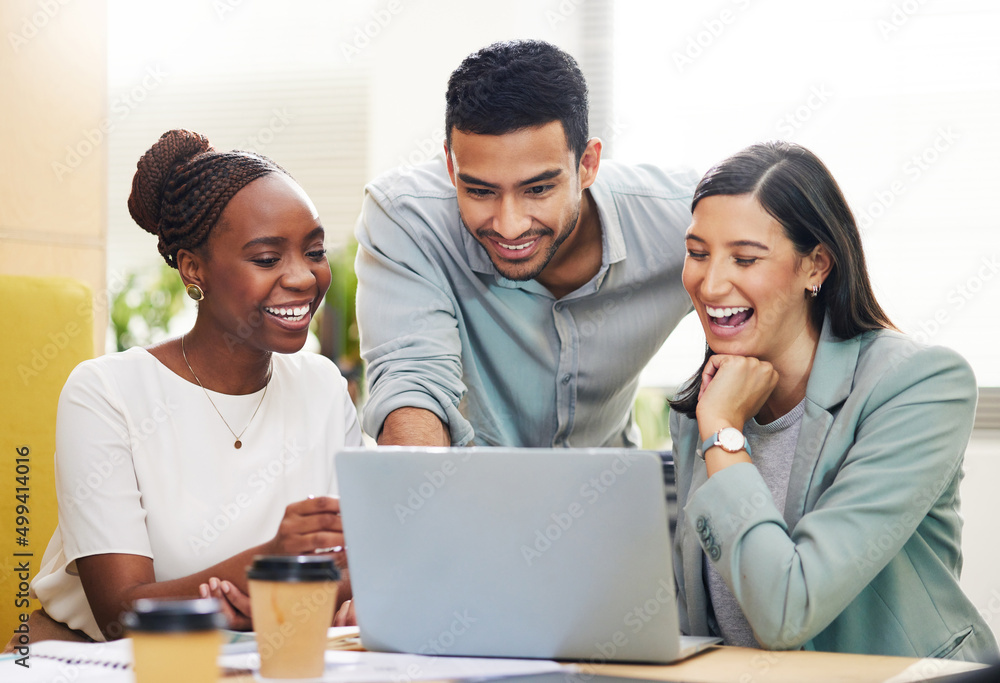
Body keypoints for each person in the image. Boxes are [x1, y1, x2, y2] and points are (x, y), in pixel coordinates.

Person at [669, 140, 999, 661]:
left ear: (816, 265)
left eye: (745, 258)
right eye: (697, 253)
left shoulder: (919, 384)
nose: (710, 282)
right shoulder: (709, 401)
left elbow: (787, 610)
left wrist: (723, 433)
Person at [29, 129, 363, 642]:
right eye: (267, 259)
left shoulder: (322, 387)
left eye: (314, 251)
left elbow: (353, 570)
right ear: (193, 268)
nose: (303, 277)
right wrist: (272, 563)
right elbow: (121, 614)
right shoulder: (107, 392)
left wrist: (347, 599)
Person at [355, 39, 696, 447]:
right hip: (467, 498)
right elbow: (412, 387)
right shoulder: (406, 217)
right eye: (480, 191)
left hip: (611, 494)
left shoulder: (686, 221)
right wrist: (424, 497)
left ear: (587, 165)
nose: (510, 226)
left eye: (537, 189)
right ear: (450, 165)